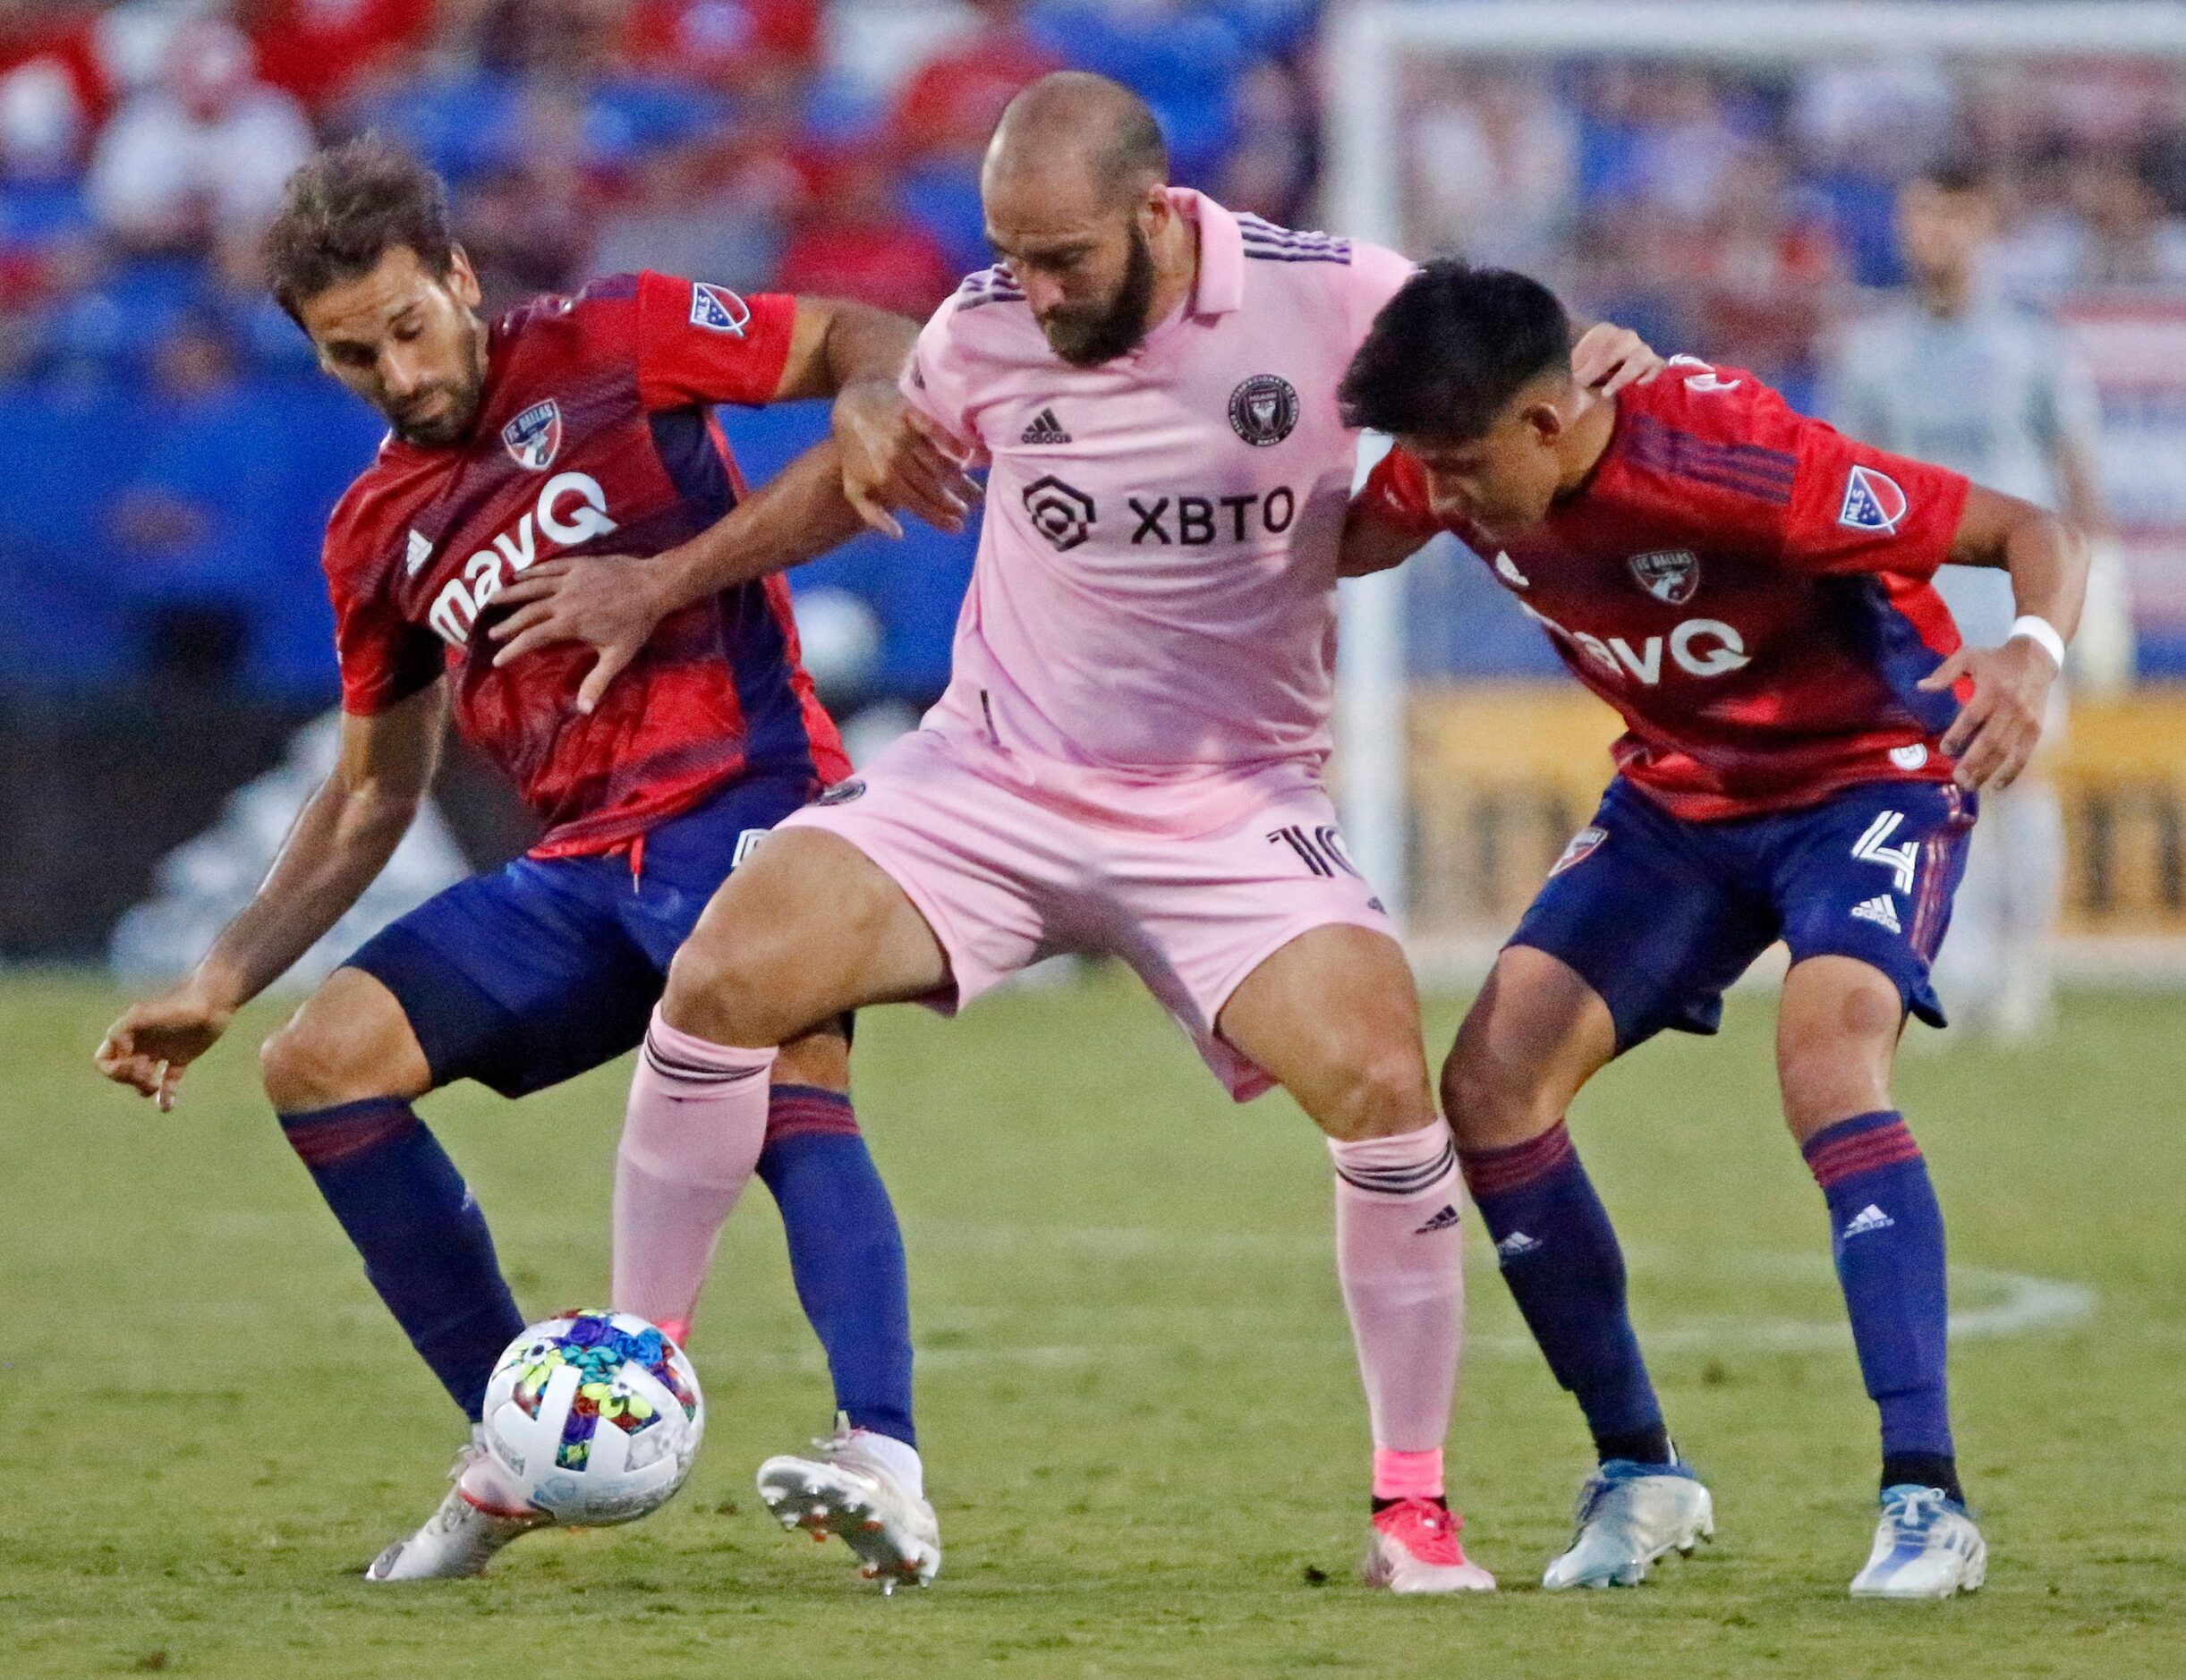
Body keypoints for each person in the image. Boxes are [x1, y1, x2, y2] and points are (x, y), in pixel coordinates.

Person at [506, 72, 1661, 1593]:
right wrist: (663, 580)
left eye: (1063, 260)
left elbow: (1513, 387)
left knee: (1386, 1085)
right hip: (991, 778)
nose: (1031, 293)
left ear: (1154, 213)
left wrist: (1606, 368)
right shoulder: (981, 327)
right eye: (1010, 255)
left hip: (1228, 806)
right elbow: (858, 477)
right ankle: (641, 1355)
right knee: (727, 969)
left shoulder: (1335, 302)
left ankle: (1411, 1509)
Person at [93, 136, 975, 1586]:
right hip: (579, 866)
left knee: (789, 1064)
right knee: (321, 1062)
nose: (394, 370)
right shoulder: (374, 529)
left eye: (406, 327)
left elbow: (855, 334)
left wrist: (869, 394)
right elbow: (378, 788)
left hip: (743, 797)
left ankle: (881, 1458)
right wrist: (225, 973)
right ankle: (545, 1434)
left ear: (457, 277)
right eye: (347, 354)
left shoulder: (612, 336)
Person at [1339, 261, 2087, 1599]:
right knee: (1491, 1086)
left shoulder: (1732, 458)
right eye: (1423, 465)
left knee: (1823, 1056)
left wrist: (2029, 648)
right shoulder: (1458, 460)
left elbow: (2028, 528)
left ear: (1548, 423)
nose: (1435, 495)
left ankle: (1924, 1498)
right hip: (1679, 797)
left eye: (1456, 466)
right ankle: (1639, 1468)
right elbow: (1338, 536)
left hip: (1865, 771)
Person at [1820, 161, 2117, 1042]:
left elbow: (2075, 476)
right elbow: (1842, 486)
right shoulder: (1870, 351)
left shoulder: (2032, 346)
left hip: (2016, 613)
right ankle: (1945, 957)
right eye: (1917, 216)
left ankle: (2026, 968)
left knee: (2021, 786)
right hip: (1916, 610)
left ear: (1982, 223)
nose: (1930, 235)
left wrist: (2090, 601)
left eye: (1949, 216)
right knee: (1919, 789)